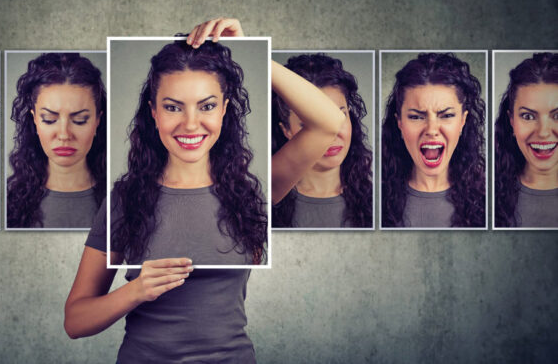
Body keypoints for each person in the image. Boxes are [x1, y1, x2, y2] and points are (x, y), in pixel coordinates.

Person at [65, 18, 267, 362]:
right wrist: (135, 291)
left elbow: (327, 124)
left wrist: (255, 50)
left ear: (225, 108)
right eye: (173, 107)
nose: (190, 123)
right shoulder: (125, 200)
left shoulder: (251, 196)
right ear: (154, 112)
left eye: (206, 106)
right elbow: (75, 321)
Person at [381, 53, 485, 228]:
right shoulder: (376, 200)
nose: (431, 130)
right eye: (416, 117)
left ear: (462, 121)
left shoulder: (490, 201)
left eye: (447, 116)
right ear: (399, 122)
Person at [272, 54, 372, 228]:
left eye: (341, 115)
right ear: (286, 130)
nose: (332, 135)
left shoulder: (381, 199)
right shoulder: (266, 192)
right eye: (309, 124)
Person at [7, 53, 105, 228]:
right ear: (35, 119)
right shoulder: (5, 202)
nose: (64, 134)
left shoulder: (119, 200)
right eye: (49, 119)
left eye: (80, 120)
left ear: (98, 120)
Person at [494, 52, 557, 228]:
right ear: (512, 121)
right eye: (528, 116)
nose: (543, 132)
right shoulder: (487, 195)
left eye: (557, 115)